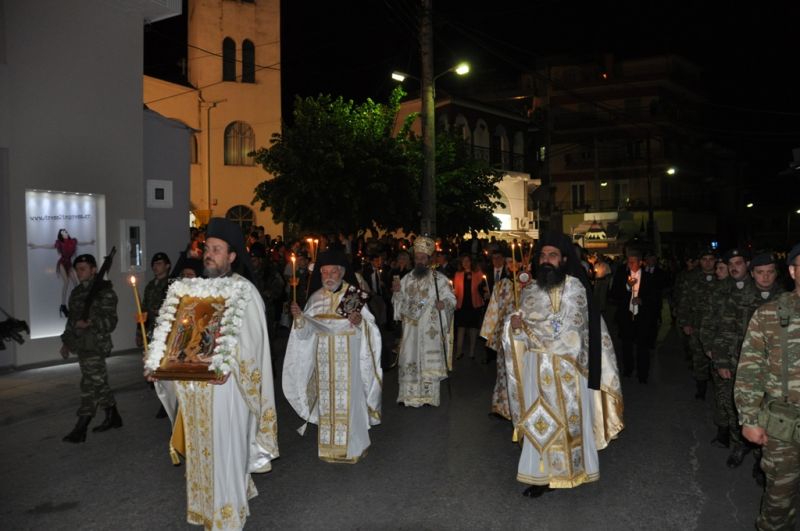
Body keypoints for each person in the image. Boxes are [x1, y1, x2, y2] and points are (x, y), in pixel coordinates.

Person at [149, 217, 279, 530]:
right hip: (195, 390)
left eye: (217, 250)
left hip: (227, 389)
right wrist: (162, 364)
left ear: (232, 256)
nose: (209, 254)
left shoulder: (244, 292)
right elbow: (180, 337)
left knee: (226, 449)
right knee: (202, 450)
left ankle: (228, 517)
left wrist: (228, 366)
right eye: (207, 248)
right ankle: (205, 508)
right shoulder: (190, 291)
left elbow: (253, 345)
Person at [504, 231, 623, 497]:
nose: (546, 260)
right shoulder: (530, 290)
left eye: (552, 255)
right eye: (543, 255)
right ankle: (540, 475)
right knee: (539, 419)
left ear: (563, 259)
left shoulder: (575, 287)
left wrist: (532, 329)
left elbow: (573, 331)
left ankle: (572, 471)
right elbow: (521, 328)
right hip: (537, 366)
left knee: (568, 421)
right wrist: (514, 326)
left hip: (568, 369)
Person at [282, 249, 382, 463]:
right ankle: (330, 448)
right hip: (324, 361)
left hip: (350, 360)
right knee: (328, 402)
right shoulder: (316, 298)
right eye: (324, 272)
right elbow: (304, 334)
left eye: (332, 272)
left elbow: (371, 328)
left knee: (350, 401)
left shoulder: (353, 295)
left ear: (341, 272)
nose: (328, 276)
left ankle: (354, 446)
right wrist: (299, 318)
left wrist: (359, 322)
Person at [734, 243, 800, 531]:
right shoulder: (770, 314)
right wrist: (749, 419)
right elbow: (750, 370)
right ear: (793, 270)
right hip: (785, 425)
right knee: (779, 503)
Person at [712, 251, 784, 479]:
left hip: (775, 371)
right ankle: (738, 446)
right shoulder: (738, 296)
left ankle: (761, 459)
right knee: (740, 411)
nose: (765, 277)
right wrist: (722, 361)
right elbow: (725, 329)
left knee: (770, 415)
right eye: (760, 273)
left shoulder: (786, 299)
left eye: (770, 272)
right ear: (752, 274)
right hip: (740, 364)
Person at [60, 253, 121, 443]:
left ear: (94, 270)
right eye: (77, 269)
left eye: (83, 269)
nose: (79, 273)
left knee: (89, 385)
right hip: (81, 344)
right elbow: (71, 322)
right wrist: (66, 342)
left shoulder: (105, 292)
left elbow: (111, 322)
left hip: (96, 344)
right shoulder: (77, 293)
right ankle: (113, 416)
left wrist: (90, 322)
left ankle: (81, 427)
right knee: (97, 383)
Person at [391, 236, 456, 407]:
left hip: (430, 328)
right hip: (411, 329)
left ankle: (429, 397)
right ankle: (407, 397)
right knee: (409, 359)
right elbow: (398, 304)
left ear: (429, 259)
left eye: (423, 258)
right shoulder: (406, 279)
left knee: (428, 361)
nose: (419, 261)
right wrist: (397, 292)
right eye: (417, 258)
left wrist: (445, 304)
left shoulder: (439, 279)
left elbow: (451, 299)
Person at [610, 248, 660, 383]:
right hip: (626, 316)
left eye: (633, 262)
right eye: (628, 262)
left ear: (640, 263)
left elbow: (655, 298)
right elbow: (614, 294)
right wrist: (627, 286)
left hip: (643, 317)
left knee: (642, 346)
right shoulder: (621, 274)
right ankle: (628, 369)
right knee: (626, 345)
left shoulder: (648, 278)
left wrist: (642, 300)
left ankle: (643, 374)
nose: (630, 265)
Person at [676, 249, 718, 399]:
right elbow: (684, 301)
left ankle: (718, 389)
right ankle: (701, 388)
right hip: (696, 324)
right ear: (700, 261)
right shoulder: (692, 278)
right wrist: (685, 322)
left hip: (717, 327)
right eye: (704, 259)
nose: (708, 262)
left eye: (711, 259)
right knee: (699, 357)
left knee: (717, 358)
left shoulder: (721, 277)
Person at [29, 228, 95, 317]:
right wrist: (37, 246)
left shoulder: (72, 241)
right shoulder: (59, 243)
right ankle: (63, 305)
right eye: (63, 232)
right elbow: (49, 246)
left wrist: (89, 242)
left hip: (69, 263)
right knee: (66, 282)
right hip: (62, 263)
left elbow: (81, 243)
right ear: (61, 235)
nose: (66, 233)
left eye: (66, 232)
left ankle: (79, 301)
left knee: (76, 283)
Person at [453, 254, 486, 360]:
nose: (465, 263)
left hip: (474, 304)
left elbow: (484, 287)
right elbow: (456, 290)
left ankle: (471, 352)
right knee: (461, 328)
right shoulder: (458, 274)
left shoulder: (478, 273)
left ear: (471, 262)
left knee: (473, 329)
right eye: (463, 261)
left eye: (467, 260)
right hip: (462, 304)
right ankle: (458, 352)